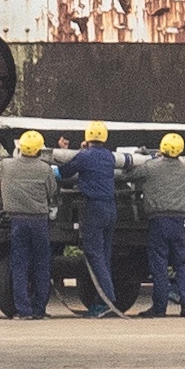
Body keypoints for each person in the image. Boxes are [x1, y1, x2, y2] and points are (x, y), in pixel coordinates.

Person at [59, 119, 128, 317]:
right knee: (104, 256)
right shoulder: (108, 156)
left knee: (94, 254)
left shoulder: (84, 157)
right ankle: (101, 301)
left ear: (87, 137)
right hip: (110, 208)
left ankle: (107, 300)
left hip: (94, 209)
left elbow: (64, 172)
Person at [0, 130, 59, 320]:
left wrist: (10, 155)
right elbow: (52, 191)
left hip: (18, 221)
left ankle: (23, 311)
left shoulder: (8, 166)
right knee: (42, 264)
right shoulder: (45, 169)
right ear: (38, 150)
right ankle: (39, 310)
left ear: (20, 148)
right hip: (39, 221)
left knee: (20, 264)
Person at [128, 132, 185, 318]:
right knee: (181, 263)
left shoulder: (151, 167)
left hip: (159, 220)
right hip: (178, 220)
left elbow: (133, 174)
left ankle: (159, 307)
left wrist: (149, 157)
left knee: (159, 264)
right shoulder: (183, 168)